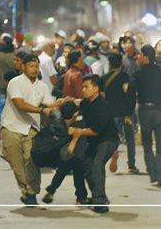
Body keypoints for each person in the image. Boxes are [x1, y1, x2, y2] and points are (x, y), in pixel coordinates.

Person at [1, 54, 61, 206]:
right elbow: (20, 105)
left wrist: (59, 103)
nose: (35, 69)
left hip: (31, 128)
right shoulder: (15, 83)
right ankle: (26, 191)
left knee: (32, 161)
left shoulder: (42, 86)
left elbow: (48, 104)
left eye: (37, 66)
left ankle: (32, 192)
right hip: (11, 127)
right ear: (23, 67)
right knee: (17, 165)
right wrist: (42, 110)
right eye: (31, 66)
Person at [68, 75, 120, 213]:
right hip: (94, 141)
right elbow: (79, 104)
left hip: (108, 140)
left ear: (96, 88)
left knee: (97, 164)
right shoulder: (86, 102)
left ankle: (100, 203)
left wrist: (78, 132)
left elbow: (95, 130)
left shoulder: (103, 105)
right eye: (83, 87)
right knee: (87, 166)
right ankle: (100, 196)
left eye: (87, 87)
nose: (83, 89)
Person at [128, 45, 161, 187]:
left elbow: (130, 93)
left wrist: (129, 112)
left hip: (145, 112)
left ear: (146, 57)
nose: (138, 57)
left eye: (140, 55)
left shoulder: (138, 74)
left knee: (147, 144)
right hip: (160, 111)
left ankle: (152, 173)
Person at [40, 101, 89, 205]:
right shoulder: (80, 125)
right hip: (77, 155)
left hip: (64, 156)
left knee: (60, 173)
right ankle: (81, 197)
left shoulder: (61, 124)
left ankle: (51, 191)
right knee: (79, 175)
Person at [102, 53, 139, 173]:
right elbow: (131, 96)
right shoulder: (126, 77)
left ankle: (113, 152)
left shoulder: (104, 78)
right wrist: (130, 112)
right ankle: (132, 165)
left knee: (111, 138)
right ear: (121, 64)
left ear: (109, 63)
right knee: (130, 139)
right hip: (124, 114)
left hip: (109, 114)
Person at [0, 35, 16, 124]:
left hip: (0, 86)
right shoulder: (16, 56)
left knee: (1, 109)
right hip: (14, 86)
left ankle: (2, 130)